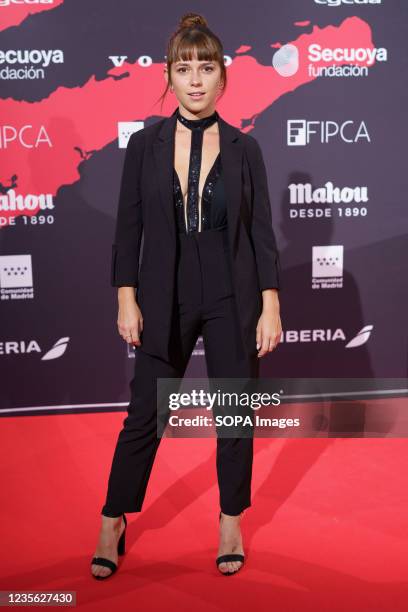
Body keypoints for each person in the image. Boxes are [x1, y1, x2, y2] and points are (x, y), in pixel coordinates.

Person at [91, 12, 282, 579]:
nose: (196, 79)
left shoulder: (246, 149)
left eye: (206, 67)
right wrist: (126, 295)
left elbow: (262, 233)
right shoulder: (143, 146)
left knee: (234, 411)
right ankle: (112, 518)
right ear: (168, 77)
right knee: (144, 413)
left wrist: (270, 302)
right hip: (164, 290)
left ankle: (230, 518)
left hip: (232, 292)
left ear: (222, 77)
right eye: (184, 68)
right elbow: (129, 228)